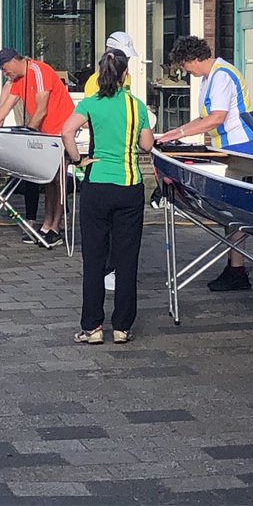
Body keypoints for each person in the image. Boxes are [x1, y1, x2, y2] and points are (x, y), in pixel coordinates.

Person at [156, 35, 253, 292]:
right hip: (227, 148)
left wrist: (180, 134)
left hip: (243, 147)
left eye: (184, 66)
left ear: (193, 59)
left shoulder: (222, 75)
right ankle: (235, 267)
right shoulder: (208, 78)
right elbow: (204, 118)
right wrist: (175, 132)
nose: (184, 71)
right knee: (230, 213)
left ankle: (237, 269)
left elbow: (216, 118)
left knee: (236, 211)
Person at [63, 48, 154, 344]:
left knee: (94, 259)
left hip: (97, 185)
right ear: (126, 74)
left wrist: (78, 161)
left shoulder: (91, 103)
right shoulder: (136, 105)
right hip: (129, 187)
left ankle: (92, 327)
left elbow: (67, 133)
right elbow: (147, 146)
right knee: (127, 259)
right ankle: (123, 327)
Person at [0, 47, 76, 246]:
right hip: (45, 132)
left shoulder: (38, 70)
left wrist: (28, 133)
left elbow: (41, 108)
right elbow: (4, 109)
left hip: (60, 129)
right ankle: (46, 224)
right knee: (49, 180)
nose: (5, 73)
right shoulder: (17, 82)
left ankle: (55, 228)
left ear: (14, 61)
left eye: (5, 68)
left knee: (59, 179)